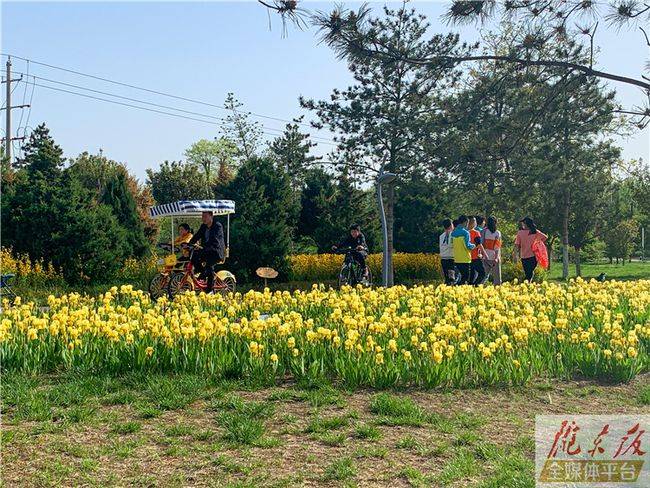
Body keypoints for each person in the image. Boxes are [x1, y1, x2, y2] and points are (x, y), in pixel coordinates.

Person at [188, 211, 225, 292]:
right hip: (206, 250)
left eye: (205, 216)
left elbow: (215, 240)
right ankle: (203, 274)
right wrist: (189, 244)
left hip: (216, 252)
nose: (203, 219)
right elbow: (197, 236)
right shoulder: (203, 226)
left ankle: (209, 290)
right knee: (193, 257)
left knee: (209, 265)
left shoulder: (217, 226)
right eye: (202, 217)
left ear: (211, 216)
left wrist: (204, 247)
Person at [514, 216, 547, 283]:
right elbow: (545, 237)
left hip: (525, 256)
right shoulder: (535, 232)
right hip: (532, 257)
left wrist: (515, 255)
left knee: (528, 273)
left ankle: (525, 285)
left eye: (523, 223)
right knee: (529, 273)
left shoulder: (520, 233)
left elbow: (516, 245)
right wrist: (537, 243)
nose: (522, 225)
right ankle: (527, 285)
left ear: (527, 224)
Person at [451, 215, 475, 285]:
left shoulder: (453, 233)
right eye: (467, 223)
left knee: (459, 276)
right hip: (465, 258)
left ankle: (455, 288)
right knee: (465, 277)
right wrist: (474, 245)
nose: (468, 224)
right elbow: (468, 246)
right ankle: (457, 289)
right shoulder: (466, 233)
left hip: (456, 258)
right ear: (465, 222)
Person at [481, 216, 502, 285]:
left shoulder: (483, 231)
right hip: (494, 257)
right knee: (497, 278)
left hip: (485, 256)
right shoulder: (497, 233)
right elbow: (497, 247)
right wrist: (496, 258)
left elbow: (481, 244)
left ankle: (478, 289)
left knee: (484, 275)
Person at [468, 217, 486, 285]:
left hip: (469, 257)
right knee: (482, 273)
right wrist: (485, 254)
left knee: (471, 275)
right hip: (476, 256)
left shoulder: (466, 233)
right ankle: (475, 286)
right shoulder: (476, 233)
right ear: (473, 223)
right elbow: (479, 244)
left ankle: (469, 288)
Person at [439, 218, 456, 285]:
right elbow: (451, 245)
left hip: (443, 258)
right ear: (451, 225)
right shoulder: (452, 234)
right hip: (451, 258)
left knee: (447, 277)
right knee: (452, 277)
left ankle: (445, 289)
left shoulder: (441, 236)